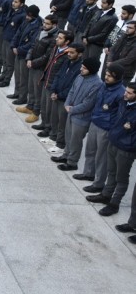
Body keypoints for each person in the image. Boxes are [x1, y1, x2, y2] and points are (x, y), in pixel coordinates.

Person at [86, 82, 136, 217]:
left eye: (129, 93)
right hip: (113, 142)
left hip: (126, 149)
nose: (125, 94)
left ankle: (114, 204)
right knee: (111, 172)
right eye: (126, 91)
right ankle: (106, 195)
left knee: (121, 178)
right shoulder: (124, 102)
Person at [77, 64, 126, 193]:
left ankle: (98, 183)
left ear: (117, 77)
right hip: (95, 121)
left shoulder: (121, 93)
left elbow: (120, 115)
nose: (106, 77)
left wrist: (111, 128)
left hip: (106, 128)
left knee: (101, 157)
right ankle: (88, 173)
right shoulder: (104, 86)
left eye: (110, 76)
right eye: (106, 74)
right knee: (90, 150)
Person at [55, 58, 103, 172]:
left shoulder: (97, 84)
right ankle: (66, 156)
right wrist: (67, 104)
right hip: (71, 113)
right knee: (68, 136)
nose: (81, 69)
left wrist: (72, 109)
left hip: (82, 118)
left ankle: (72, 162)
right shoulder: (80, 77)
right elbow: (71, 91)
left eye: (84, 68)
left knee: (75, 141)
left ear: (91, 69)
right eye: (82, 66)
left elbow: (88, 104)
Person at [9, 5, 41, 106]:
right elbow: (18, 34)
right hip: (18, 52)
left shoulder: (38, 26)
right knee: (17, 75)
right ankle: (17, 93)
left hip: (24, 55)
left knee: (23, 77)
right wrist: (13, 46)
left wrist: (19, 50)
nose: (27, 17)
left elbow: (32, 43)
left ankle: (22, 97)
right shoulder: (26, 21)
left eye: (29, 16)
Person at [0, 0, 27, 88]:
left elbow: (19, 31)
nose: (13, 3)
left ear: (21, 4)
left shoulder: (22, 15)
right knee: (4, 59)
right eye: (13, 1)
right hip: (5, 37)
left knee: (9, 62)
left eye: (16, 2)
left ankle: (7, 80)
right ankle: (3, 75)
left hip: (11, 41)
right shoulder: (12, 11)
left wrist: (14, 43)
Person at [83, 0, 117, 64]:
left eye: (104, 3)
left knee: (91, 63)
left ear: (110, 4)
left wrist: (89, 39)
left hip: (96, 44)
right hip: (87, 41)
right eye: (101, 2)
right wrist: (84, 36)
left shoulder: (112, 18)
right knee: (84, 61)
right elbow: (89, 24)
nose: (102, 4)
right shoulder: (99, 11)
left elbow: (104, 34)